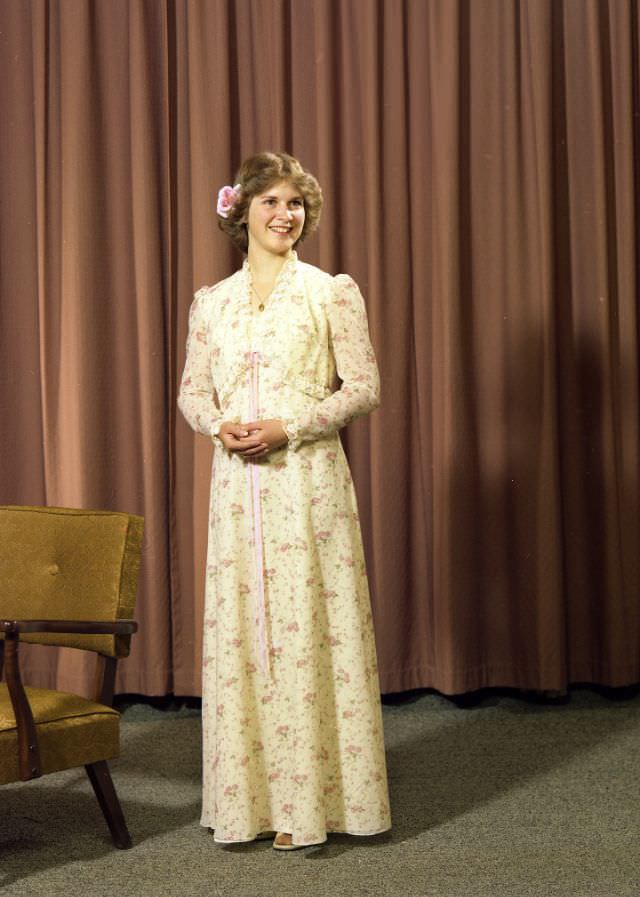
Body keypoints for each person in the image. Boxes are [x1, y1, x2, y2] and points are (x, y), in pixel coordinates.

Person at [178, 151, 391, 850]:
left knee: (310, 632)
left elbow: (362, 386)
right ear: (242, 214)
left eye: (295, 203)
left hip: (308, 484)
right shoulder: (211, 303)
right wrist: (220, 424)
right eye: (270, 201)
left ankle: (317, 804)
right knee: (247, 633)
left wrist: (288, 426)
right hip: (237, 493)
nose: (284, 214)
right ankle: (251, 802)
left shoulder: (331, 292)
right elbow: (191, 392)